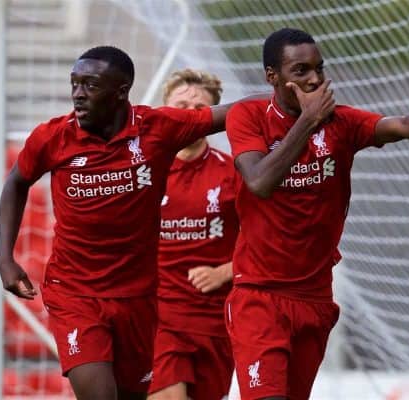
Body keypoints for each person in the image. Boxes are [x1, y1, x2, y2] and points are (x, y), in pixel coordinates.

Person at [224, 28, 409, 400]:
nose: (315, 79)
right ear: (273, 77)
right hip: (260, 295)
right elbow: (259, 182)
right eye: (301, 70)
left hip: (315, 296)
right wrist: (307, 122)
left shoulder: (341, 122)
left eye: (319, 68)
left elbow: (400, 125)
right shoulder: (248, 116)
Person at [0, 46, 246, 400]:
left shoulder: (159, 133)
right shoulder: (53, 137)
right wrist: (5, 256)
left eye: (90, 85)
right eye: (75, 84)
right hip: (76, 293)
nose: (78, 94)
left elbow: (236, 112)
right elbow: (16, 181)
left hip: (140, 300)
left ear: (121, 91)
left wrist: (289, 93)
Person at [147, 69, 239, 400]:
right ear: (164, 110)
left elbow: (266, 240)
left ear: (212, 117)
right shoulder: (145, 170)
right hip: (158, 315)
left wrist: (225, 271)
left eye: (199, 107)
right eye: (180, 104)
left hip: (213, 319)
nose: (189, 113)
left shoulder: (233, 173)